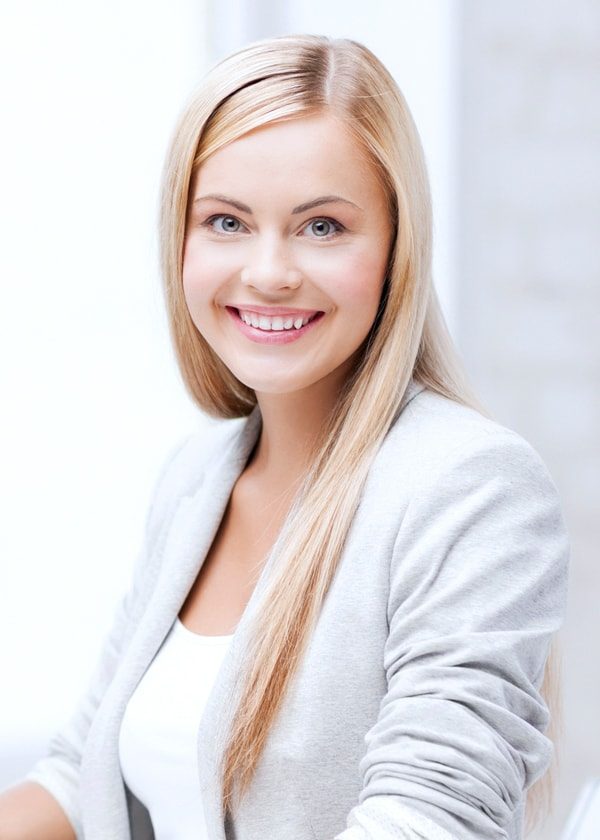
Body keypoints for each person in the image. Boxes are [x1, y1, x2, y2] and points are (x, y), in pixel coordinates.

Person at [0, 33, 570, 840]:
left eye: (322, 227)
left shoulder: (470, 485)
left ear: (397, 250)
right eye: (227, 221)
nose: (268, 272)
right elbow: (80, 773)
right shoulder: (197, 478)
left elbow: (428, 819)